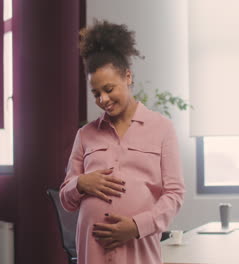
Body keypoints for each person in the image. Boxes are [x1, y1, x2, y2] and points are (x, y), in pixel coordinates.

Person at [59, 20, 185, 264]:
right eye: (96, 93)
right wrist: (81, 183)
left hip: (138, 250)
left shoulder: (162, 129)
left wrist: (137, 226)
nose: (103, 99)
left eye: (109, 89)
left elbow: (174, 194)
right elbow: (65, 197)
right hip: (92, 251)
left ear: (127, 77)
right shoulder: (85, 135)